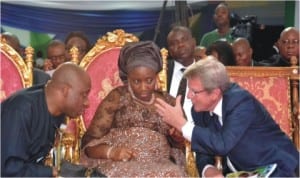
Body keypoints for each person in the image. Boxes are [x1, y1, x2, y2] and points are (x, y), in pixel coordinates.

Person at [155, 56, 299, 177]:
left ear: (215, 93)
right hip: (240, 172)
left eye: (194, 91)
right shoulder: (199, 109)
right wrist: (208, 170)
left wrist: (182, 124)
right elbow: (203, 150)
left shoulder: (241, 102)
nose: (188, 96)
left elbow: (223, 144)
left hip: (277, 168)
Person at [80, 41, 187, 177]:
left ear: (156, 76)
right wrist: (111, 152)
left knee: (173, 173)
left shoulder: (169, 102)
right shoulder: (117, 96)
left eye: (149, 80)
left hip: (161, 164)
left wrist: (177, 137)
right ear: (127, 78)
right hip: (121, 164)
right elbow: (89, 144)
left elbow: (183, 145)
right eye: (136, 81)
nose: (143, 87)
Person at [1, 63, 91, 177]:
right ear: (65, 90)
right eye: (83, 95)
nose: (88, 103)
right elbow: (9, 169)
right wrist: (52, 172)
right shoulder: (21, 110)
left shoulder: (58, 111)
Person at [166, 25, 196, 122]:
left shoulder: (207, 71)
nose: (180, 45)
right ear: (169, 51)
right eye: (174, 43)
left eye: (184, 40)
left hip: (197, 132)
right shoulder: (161, 71)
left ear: (194, 42)